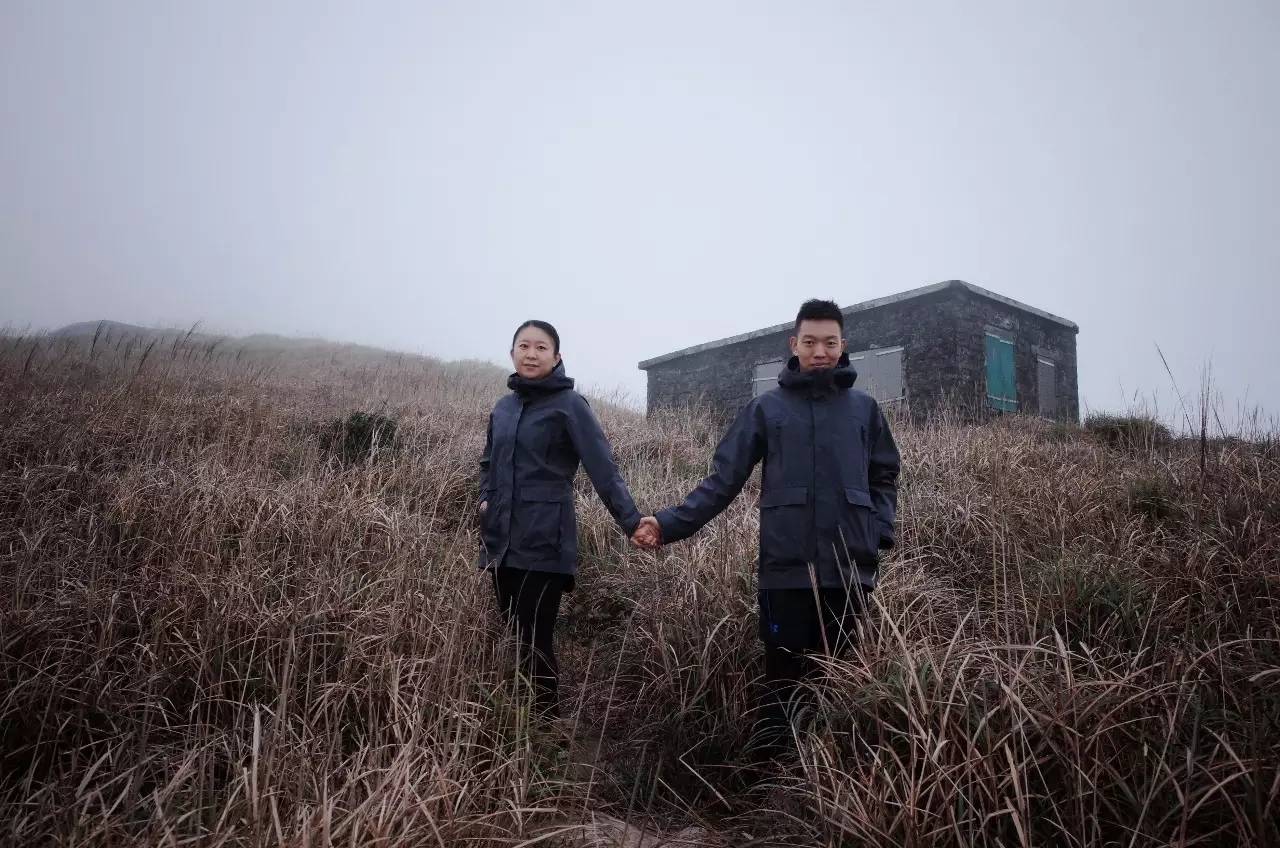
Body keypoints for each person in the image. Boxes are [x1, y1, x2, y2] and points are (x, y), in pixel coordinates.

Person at [630, 299, 901, 753]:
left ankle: (827, 784)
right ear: (793, 345)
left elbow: (884, 476)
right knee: (782, 683)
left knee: (838, 682)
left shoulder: (864, 410)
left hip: (848, 570)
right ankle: (772, 786)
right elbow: (722, 482)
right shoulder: (767, 409)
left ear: (843, 346)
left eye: (830, 342)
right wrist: (667, 524)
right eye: (810, 342)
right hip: (785, 572)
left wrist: (878, 533)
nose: (820, 351)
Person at [479, 319, 644, 719]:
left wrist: (633, 521)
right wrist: (484, 500)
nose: (531, 354)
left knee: (536, 637)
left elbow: (603, 468)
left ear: (557, 357)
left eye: (541, 347)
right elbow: (488, 462)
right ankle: (519, 723)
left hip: (546, 539)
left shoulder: (571, 406)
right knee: (515, 633)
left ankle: (546, 728)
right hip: (500, 538)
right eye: (524, 346)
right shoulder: (503, 408)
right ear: (512, 352)